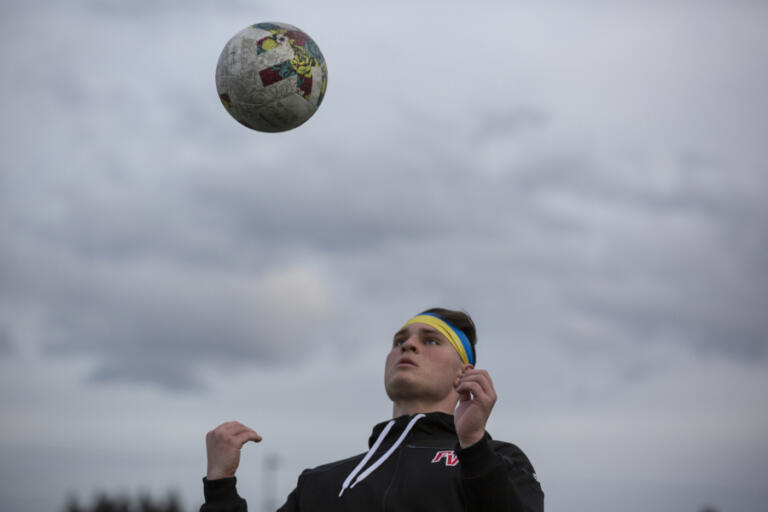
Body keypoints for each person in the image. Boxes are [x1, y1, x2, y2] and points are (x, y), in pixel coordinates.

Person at [200, 308, 544, 511]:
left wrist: (472, 444)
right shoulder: (318, 483)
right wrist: (219, 484)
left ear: (464, 373)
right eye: (399, 341)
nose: (408, 344)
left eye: (431, 340)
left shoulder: (497, 461)